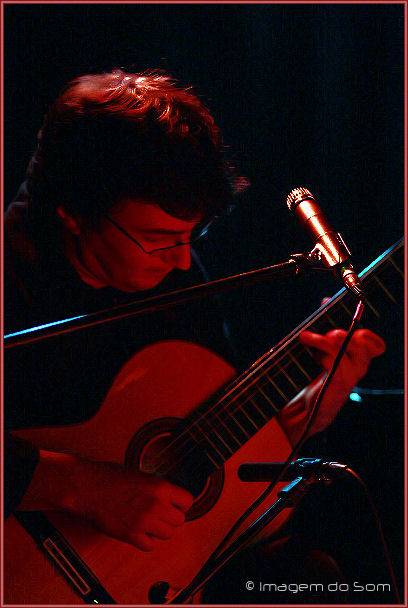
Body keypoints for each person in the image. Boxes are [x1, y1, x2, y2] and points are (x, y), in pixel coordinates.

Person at [4, 69, 386, 603]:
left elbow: (205, 444)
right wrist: (78, 486)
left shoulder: (174, 274)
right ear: (73, 212)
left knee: (311, 577)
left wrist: (304, 413)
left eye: (192, 235)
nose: (183, 261)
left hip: (151, 573)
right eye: (159, 238)